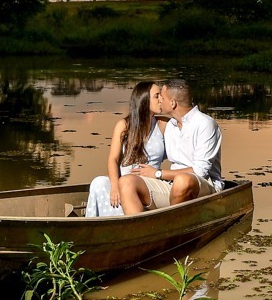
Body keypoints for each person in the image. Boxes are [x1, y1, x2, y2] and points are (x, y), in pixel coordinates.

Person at [129, 78, 222, 206]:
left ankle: (170, 223)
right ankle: (139, 225)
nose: (160, 100)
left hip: (205, 187)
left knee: (182, 180)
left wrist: (157, 173)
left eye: (162, 97)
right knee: (128, 182)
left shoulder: (205, 124)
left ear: (172, 103)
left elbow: (200, 171)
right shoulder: (170, 126)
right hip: (172, 186)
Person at [84, 81, 165, 216]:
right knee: (98, 183)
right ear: (144, 100)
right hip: (124, 181)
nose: (161, 99)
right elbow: (113, 159)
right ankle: (95, 226)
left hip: (148, 185)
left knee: (127, 186)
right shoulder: (124, 125)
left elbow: (177, 151)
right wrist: (115, 187)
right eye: (157, 96)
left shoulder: (163, 125)